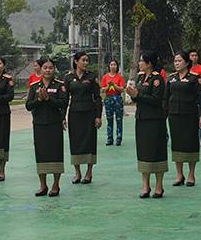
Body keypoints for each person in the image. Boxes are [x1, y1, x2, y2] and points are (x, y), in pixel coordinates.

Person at [125, 50, 168, 198]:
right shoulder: (140, 77)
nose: (139, 63)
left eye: (142, 61)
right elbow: (140, 98)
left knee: (157, 151)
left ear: (149, 63)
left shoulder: (157, 79)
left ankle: (159, 186)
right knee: (143, 151)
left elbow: (156, 100)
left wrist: (139, 95)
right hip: (142, 118)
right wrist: (133, 95)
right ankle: (145, 186)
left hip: (155, 119)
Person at [26, 58, 69, 197]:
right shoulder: (34, 86)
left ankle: (56, 185)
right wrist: (39, 100)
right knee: (41, 154)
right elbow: (28, 105)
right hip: (39, 124)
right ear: (40, 69)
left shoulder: (60, 86)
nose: (48, 70)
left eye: (50, 67)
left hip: (54, 124)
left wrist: (48, 99)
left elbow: (63, 103)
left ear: (54, 69)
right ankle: (43, 185)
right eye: (45, 67)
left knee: (56, 153)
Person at [166, 51, 201, 187]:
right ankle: (179, 174)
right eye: (175, 61)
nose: (176, 63)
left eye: (179, 61)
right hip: (174, 115)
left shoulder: (194, 78)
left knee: (190, 143)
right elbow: (166, 98)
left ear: (187, 63)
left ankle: (191, 174)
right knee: (177, 143)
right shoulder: (171, 78)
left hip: (190, 115)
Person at [64, 52, 102, 184]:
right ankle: (77, 172)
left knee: (90, 142)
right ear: (76, 61)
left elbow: (97, 97)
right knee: (75, 142)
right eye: (83, 60)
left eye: (87, 60)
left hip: (89, 113)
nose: (85, 63)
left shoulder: (91, 77)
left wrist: (98, 116)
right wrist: (62, 116)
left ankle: (89, 172)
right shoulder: (69, 78)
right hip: (74, 113)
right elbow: (64, 99)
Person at [101, 60, 126, 146]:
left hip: (117, 98)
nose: (113, 66)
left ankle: (119, 138)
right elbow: (102, 89)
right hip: (108, 98)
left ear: (117, 66)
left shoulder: (120, 77)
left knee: (119, 119)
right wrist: (108, 86)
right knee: (109, 119)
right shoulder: (105, 77)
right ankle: (110, 138)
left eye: (114, 65)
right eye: (111, 64)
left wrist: (114, 85)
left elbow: (122, 89)